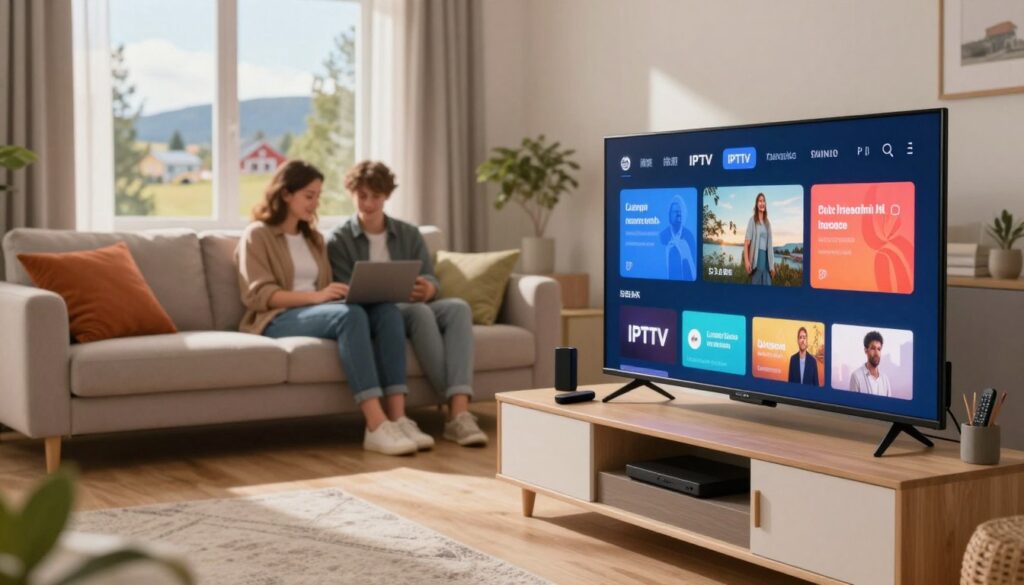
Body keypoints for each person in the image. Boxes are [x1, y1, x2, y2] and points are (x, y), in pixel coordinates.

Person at [235, 160, 425, 456]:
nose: (315, 203)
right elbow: (259, 295)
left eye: (318, 196)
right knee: (350, 316)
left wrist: (340, 293)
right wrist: (316, 297)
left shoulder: (314, 238)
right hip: (277, 318)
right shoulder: (257, 235)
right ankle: (375, 425)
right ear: (286, 194)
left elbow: (327, 289)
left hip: (319, 311)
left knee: (386, 311)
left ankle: (398, 418)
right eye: (309, 196)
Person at [326, 160, 488, 447]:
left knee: (458, 307)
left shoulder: (409, 233)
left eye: (375, 196)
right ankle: (455, 409)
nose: (368, 203)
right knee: (419, 313)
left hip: (412, 301)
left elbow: (428, 275)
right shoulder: (339, 239)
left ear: (386, 196)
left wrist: (428, 288)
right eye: (362, 196)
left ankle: (459, 414)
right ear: (352, 194)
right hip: (379, 311)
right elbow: (344, 289)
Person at [658, 194, 696, 280]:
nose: (678, 214)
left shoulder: (689, 237)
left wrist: (687, 256)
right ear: (669, 215)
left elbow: (694, 273)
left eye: (680, 212)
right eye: (675, 212)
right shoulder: (662, 236)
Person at [848, 330, 892, 397]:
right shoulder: (856, 376)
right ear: (865, 350)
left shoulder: (885, 379)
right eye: (873, 348)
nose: (876, 353)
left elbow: (889, 406)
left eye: (879, 349)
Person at [744, 192, 775, 285]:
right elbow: (746, 243)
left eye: (764, 201)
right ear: (756, 204)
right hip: (757, 262)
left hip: (767, 263)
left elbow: (770, 245)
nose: (762, 203)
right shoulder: (752, 220)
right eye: (760, 201)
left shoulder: (767, 223)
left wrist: (772, 265)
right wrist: (747, 262)